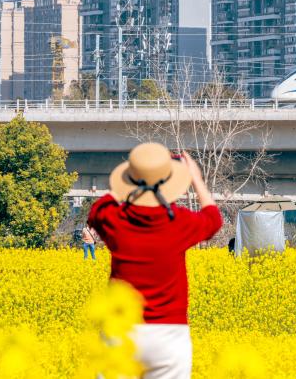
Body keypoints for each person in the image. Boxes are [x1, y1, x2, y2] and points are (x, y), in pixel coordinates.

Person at [88, 143, 222, 379]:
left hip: (121, 331)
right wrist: (196, 179)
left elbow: (97, 210)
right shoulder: (180, 222)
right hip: (168, 335)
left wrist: (129, 180)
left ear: (129, 180)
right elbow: (213, 219)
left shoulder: (114, 219)